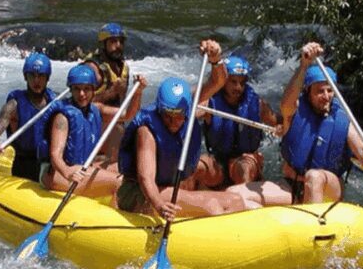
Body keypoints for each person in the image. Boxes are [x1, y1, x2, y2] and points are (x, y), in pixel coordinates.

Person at [228, 42, 363, 206]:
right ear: (308, 92)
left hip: (327, 187)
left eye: (329, 90)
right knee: (234, 193)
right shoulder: (295, 112)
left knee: (314, 176)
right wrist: (303, 66)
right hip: (292, 186)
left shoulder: (342, 119)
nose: (326, 96)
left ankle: (317, 229)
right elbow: (285, 103)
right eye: (320, 91)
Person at [117, 65, 245, 220]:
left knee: (236, 201)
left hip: (164, 188)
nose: (173, 121)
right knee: (214, 206)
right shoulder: (146, 132)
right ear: (160, 109)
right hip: (140, 194)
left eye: (178, 116)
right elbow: (146, 178)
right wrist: (159, 205)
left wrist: (215, 60)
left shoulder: (188, 111)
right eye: (167, 115)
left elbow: (217, 81)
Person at [40, 65, 147, 204]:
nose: (82, 94)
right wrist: (68, 172)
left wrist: (138, 92)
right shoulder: (62, 117)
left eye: (86, 89)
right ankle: (113, 221)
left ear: (93, 90)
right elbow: (55, 155)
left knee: (130, 172)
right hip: (58, 174)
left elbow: (128, 115)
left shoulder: (96, 109)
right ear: (71, 89)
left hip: (83, 167)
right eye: (77, 89)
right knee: (120, 183)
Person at [197, 55, 280, 187]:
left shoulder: (257, 104)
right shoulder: (209, 103)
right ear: (223, 82)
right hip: (218, 160)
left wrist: (281, 127)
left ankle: (244, 201)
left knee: (244, 168)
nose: (238, 88)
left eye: (242, 83)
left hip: (246, 159)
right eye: (233, 82)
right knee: (197, 166)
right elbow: (187, 115)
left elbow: (278, 123)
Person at [0, 52, 56, 182]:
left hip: (49, 163)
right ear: (25, 77)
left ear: (47, 78)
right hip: (24, 164)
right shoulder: (13, 105)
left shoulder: (56, 102)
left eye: (41, 76)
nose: (36, 80)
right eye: (32, 75)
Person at [84, 22, 133, 158]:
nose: (118, 46)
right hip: (94, 124)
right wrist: (112, 92)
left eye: (121, 41)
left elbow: (122, 102)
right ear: (103, 44)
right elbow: (82, 102)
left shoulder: (123, 68)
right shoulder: (93, 69)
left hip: (116, 121)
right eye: (113, 41)